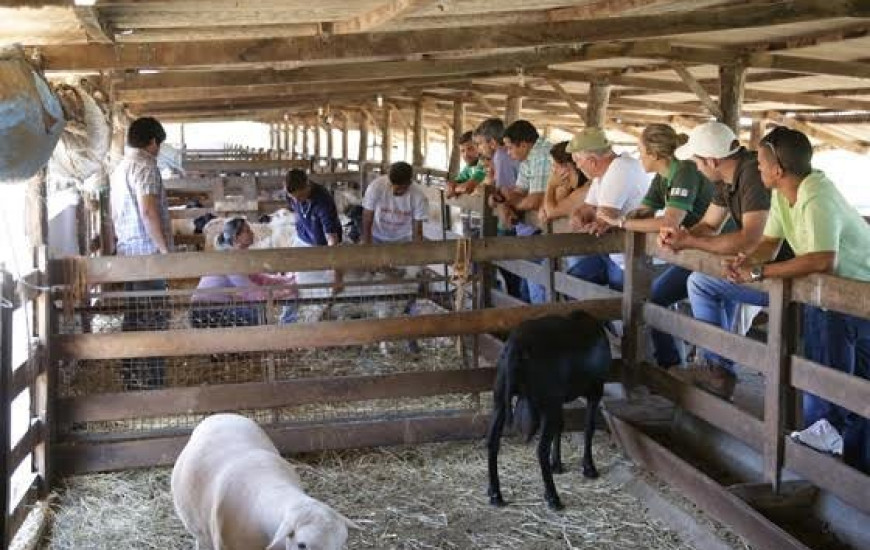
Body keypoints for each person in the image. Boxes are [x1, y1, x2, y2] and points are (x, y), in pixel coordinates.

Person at [723, 126, 870, 474]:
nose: (757, 169)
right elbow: (769, 242)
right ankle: (841, 448)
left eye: (760, 163)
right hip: (832, 295)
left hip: (859, 294)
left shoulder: (817, 196)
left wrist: (761, 274)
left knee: (846, 376)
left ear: (778, 170)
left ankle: (837, 442)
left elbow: (822, 259)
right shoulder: (784, 194)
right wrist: (749, 261)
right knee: (832, 368)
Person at [658, 121, 789, 398]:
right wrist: (681, 236)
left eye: (697, 161)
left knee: (700, 283)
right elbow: (709, 224)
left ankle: (716, 368)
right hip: (762, 268)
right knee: (713, 282)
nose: (695, 167)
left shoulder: (752, 174)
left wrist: (690, 241)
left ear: (711, 160)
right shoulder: (728, 179)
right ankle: (719, 371)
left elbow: (750, 239)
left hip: (782, 273)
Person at [596, 124, 716, 368]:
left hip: (711, 253)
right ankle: (673, 364)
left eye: (641, 152)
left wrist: (621, 221)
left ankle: (676, 365)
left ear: (654, 153)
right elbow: (643, 211)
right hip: (695, 252)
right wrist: (611, 222)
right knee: (657, 299)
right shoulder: (663, 177)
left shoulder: (685, 171)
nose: (639, 157)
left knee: (660, 299)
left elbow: (670, 221)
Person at [109, 116, 172, 390]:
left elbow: (114, 214)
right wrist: (165, 250)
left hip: (128, 253)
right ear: (153, 141)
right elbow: (148, 211)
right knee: (153, 315)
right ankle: (154, 382)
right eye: (159, 144)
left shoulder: (120, 167)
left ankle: (132, 376)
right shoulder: (145, 166)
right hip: (148, 256)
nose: (158, 149)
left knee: (135, 315)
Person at [566, 127, 650, 290]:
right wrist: (578, 214)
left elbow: (604, 217)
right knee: (575, 280)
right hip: (616, 254)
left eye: (578, 161)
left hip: (632, 259)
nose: (577, 166)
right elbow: (588, 208)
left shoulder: (620, 168)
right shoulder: (603, 174)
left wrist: (594, 218)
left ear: (592, 161)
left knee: (620, 307)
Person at [191, 218, 297, 328]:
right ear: (237, 237)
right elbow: (253, 294)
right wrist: (283, 292)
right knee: (255, 314)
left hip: (214, 309)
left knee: (254, 311)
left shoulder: (238, 256)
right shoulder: (231, 259)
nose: (252, 233)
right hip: (206, 313)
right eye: (247, 231)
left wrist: (287, 280)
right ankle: (255, 343)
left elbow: (259, 278)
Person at [497, 120, 552, 303]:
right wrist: (506, 204)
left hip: (549, 231)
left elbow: (536, 200)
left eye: (510, 147)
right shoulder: (528, 157)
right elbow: (518, 191)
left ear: (524, 144)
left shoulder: (541, 155)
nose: (509, 153)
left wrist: (512, 205)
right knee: (532, 283)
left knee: (539, 285)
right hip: (538, 231)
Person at [473, 118, 522, 297]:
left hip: (508, 223)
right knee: (513, 272)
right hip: (513, 222)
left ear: (492, 143)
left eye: (480, 144)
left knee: (511, 272)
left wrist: (497, 198)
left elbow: (505, 191)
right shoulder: (499, 157)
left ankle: (507, 304)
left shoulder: (501, 156)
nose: (479, 149)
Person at [284, 169, 344, 295]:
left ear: (308, 185)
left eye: (300, 196)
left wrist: (337, 277)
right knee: (299, 287)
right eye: (293, 198)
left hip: (323, 246)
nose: (298, 201)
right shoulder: (291, 194)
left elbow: (332, 239)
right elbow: (294, 209)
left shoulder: (323, 201)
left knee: (320, 288)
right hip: (302, 240)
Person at [361, 161, 428, 245]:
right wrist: (366, 243)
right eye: (392, 185)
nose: (394, 191)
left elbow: (417, 229)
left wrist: (416, 252)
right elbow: (367, 216)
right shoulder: (375, 187)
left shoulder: (419, 196)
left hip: (404, 238)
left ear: (409, 183)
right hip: (377, 236)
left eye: (400, 188)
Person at [538, 141, 590, 226]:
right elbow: (547, 207)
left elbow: (551, 212)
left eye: (555, 166)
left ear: (567, 166)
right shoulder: (568, 186)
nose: (553, 171)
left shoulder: (584, 190)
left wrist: (550, 186)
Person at [445, 131, 486, 198]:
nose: (466, 154)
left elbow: (467, 188)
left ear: (479, 148)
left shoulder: (484, 163)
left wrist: (454, 189)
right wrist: (453, 186)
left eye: (470, 149)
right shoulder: (468, 168)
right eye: (462, 151)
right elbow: (453, 183)